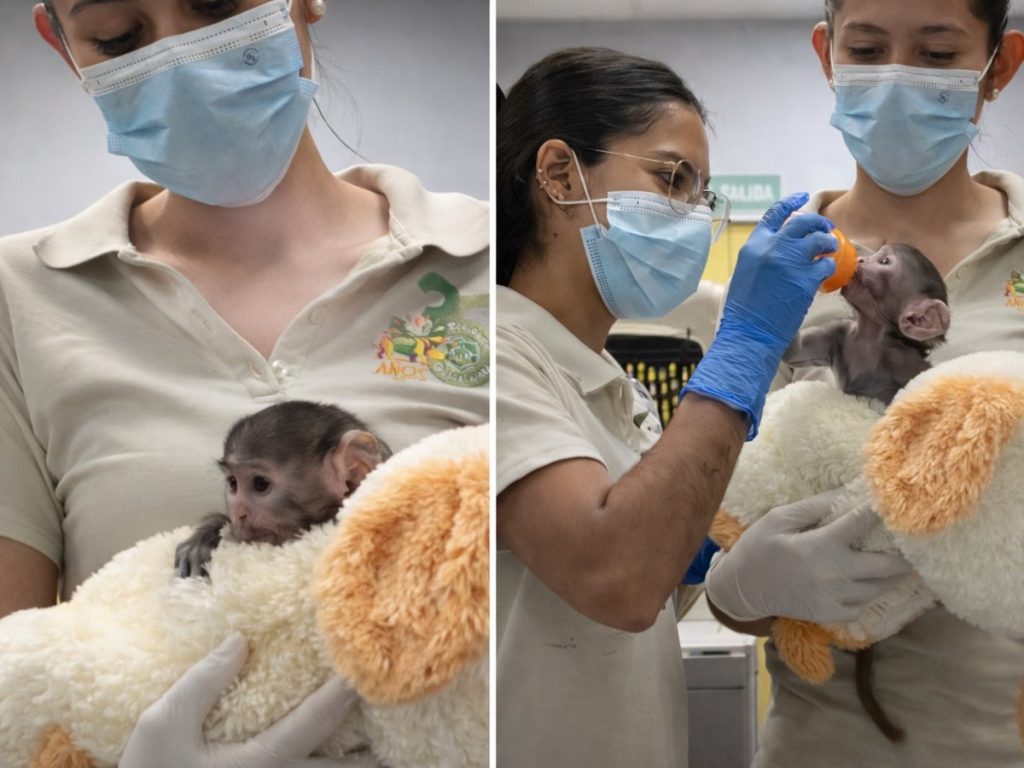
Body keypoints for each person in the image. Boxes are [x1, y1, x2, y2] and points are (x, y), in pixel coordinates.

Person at [0, 1, 488, 765]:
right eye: (119, 36)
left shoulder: (489, 261)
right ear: (64, 47)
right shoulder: (17, 297)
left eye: (219, 5)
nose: (183, 59)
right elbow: (12, 680)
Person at [495, 46, 910, 768]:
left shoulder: (617, 390)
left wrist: (729, 564)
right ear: (560, 173)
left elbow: (650, 579)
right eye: (670, 178)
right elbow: (618, 579)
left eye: (701, 190)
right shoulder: (496, 359)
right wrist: (745, 346)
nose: (693, 213)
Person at [706, 1, 1024, 765]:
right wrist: (740, 591)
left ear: (999, 66)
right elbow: (707, 509)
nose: (894, 79)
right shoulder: (774, 274)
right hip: (822, 746)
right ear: (827, 55)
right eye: (869, 48)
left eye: (938, 54)